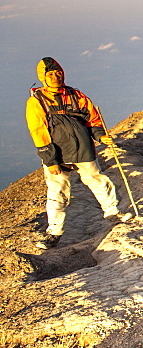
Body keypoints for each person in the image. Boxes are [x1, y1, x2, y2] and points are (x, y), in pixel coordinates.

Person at [25, 57, 129, 249]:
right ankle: (54, 233)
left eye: (58, 73)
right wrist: (50, 159)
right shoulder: (37, 101)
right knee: (57, 192)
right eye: (50, 74)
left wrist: (100, 136)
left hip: (83, 148)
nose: (55, 77)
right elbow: (38, 131)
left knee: (98, 180)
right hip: (58, 153)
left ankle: (113, 213)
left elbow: (92, 118)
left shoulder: (76, 95)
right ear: (43, 77)